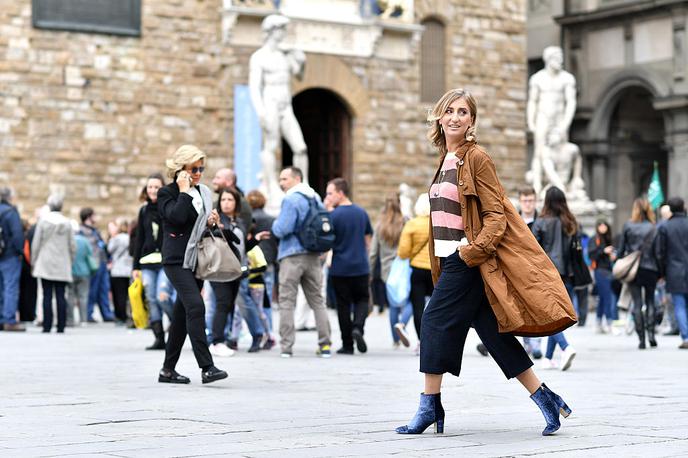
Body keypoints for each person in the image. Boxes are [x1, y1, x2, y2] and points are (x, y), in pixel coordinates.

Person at [396, 88, 576, 436]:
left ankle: (429, 405)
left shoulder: (477, 158)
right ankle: (547, 398)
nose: (455, 117)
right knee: (494, 334)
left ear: (472, 121)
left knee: (432, 321)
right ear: (439, 115)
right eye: (449, 110)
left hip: (466, 259)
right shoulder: (446, 158)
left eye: (463, 112)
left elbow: (496, 217)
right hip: (454, 259)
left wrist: (470, 252)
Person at [156, 144, 227, 384]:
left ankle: (167, 370)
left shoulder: (204, 192)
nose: (198, 173)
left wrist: (212, 222)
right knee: (196, 307)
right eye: (193, 169)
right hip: (176, 259)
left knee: (181, 315)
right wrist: (184, 191)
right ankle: (207, 367)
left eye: (201, 169)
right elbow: (175, 218)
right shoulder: (167, 193)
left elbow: (196, 227)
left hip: (196, 258)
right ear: (181, 169)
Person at [271, 166, 332, 358]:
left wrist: (274, 225)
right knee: (317, 300)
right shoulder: (314, 197)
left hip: (291, 255)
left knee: (287, 301)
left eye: (284, 179)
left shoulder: (291, 199)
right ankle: (325, 345)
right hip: (313, 255)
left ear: (296, 178)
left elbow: (282, 228)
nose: (281, 183)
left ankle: (286, 347)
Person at [249, 14, 308, 202]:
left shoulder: (285, 55)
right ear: (272, 31)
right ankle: (271, 185)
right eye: (281, 29)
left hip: (286, 105)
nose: (283, 33)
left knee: (301, 148)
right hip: (270, 103)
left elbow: (299, 76)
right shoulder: (259, 57)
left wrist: (301, 59)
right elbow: (254, 87)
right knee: (271, 145)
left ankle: (303, 186)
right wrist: (260, 112)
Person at [531, 187, 578, 370]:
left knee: (552, 315)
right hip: (567, 272)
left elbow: (533, 248)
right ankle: (548, 357)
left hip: (547, 272)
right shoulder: (570, 222)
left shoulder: (541, 222)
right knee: (558, 313)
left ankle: (565, 347)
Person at [326, 177, 373, 355]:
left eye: (330, 193)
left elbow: (328, 240)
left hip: (340, 266)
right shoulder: (361, 213)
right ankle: (358, 328)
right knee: (362, 300)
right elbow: (368, 239)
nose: (328, 197)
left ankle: (347, 344)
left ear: (340, 193)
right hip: (360, 265)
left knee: (343, 305)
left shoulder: (334, 215)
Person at [132, 173, 176, 350]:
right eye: (150, 187)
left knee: (162, 296)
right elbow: (139, 239)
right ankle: (159, 338)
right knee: (150, 298)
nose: (152, 190)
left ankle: (177, 323)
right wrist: (135, 266)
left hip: (165, 261)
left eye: (156, 187)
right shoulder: (143, 210)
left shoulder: (168, 207)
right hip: (147, 262)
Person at [526, 46, 577, 196]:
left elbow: (571, 102)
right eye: (557, 58)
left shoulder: (567, 78)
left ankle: (560, 186)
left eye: (561, 58)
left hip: (560, 118)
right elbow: (533, 101)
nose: (560, 61)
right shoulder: (537, 78)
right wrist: (531, 121)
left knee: (561, 151)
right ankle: (536, 187)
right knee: (539, 152)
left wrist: (565, 124)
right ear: (548, 59)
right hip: (543, 117)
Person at [618, 197, 661, 349]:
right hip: (651, 269)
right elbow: (658, 253)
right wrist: (661, 271)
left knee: (637, 303)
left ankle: (641, 339)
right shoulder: (653, 227)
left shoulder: (628, 225)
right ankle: (651, 335)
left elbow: (621, 250)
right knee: (650, 301)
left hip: (634, 270)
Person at [369, 193, 411, 348]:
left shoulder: (380, 226)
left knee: (393, 305)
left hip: (387, 270)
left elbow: (373, 252)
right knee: (409, 300)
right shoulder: (406, 222)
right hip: (405, 267)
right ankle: (402, 324)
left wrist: (371, 273)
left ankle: (395, 340)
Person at [31, 194, 76, 333]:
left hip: (45, 261)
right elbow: (72, 246)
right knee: (61, 295)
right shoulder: (67, 223)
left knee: (47, 295)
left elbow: (36, 244)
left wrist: (34, 261)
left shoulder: (43, 222)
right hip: (62, 262)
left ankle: (47, 325)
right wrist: (70, 260)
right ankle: (61, 325)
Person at [397, 193, 433, 351]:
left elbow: (403, 252)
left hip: (417, 270)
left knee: (418, 307)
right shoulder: (436, 224)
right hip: (436, 271)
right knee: (437, 306)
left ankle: (421, 341)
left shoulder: (412, 225)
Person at [656, 197, 688, 349]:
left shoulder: (665, 227)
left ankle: (686, 337)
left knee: (679, 305)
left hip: (674, 271)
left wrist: (661, 273)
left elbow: (661, 253)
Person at [517, 186, 542, 359]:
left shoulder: (542, 221)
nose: (528, 204)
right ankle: (527, 342)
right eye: (525, 200)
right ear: (520, 201)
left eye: (531, 200)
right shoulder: (514, 219)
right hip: (518, 270)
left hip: (538, 270)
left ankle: (537, 343)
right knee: (522, 308)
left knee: (538, 306)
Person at [79, 207, 115, 322]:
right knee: (92, 290)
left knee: (104, 289)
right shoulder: (81, 231)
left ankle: (106, 314)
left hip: (102, 262)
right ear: (89, 216)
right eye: (94, 215)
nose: (96, 218)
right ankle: (88, 314)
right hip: (93, 264)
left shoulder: (95, 231)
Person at [0, 186, 26, 331]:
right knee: (10, 287)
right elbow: (17, 235)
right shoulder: (11, 212)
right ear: (10, 197)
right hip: (9, 255)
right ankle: (9, 320)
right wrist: (20, 251)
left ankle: (1, 318)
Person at [588, 220, 616, 333]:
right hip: (599, 270)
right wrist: (603, 251)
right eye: (601, 225)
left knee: (603, 297)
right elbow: (591, 254)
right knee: (607, 296)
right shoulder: (595, 239)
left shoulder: (608, 238)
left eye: (605, 225)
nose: (603, 228)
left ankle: (599, 322)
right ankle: (609, 322)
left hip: (608, 269)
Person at [211, 168, 252, 238]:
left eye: (218, 178)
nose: (214, 181)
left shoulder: (242, 204)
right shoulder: (214, 204)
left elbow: (243, 234)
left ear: (229, 181)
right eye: (223, 200)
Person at [68, 221, 94, 326]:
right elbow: (90, 254)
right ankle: (83, 319)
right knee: (83, 296)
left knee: (70, 296)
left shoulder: (69, 241)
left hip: (71, 271)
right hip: (84, 272)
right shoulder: (84, 241)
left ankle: (70, 319)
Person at [108, 218, 133, 324]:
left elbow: (109, 249)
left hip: (117, 270)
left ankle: (120, 316)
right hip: (128, 269)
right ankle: (128, 315)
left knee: (118, 294)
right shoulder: (130, 238)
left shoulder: (116, 238)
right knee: (128, 294)